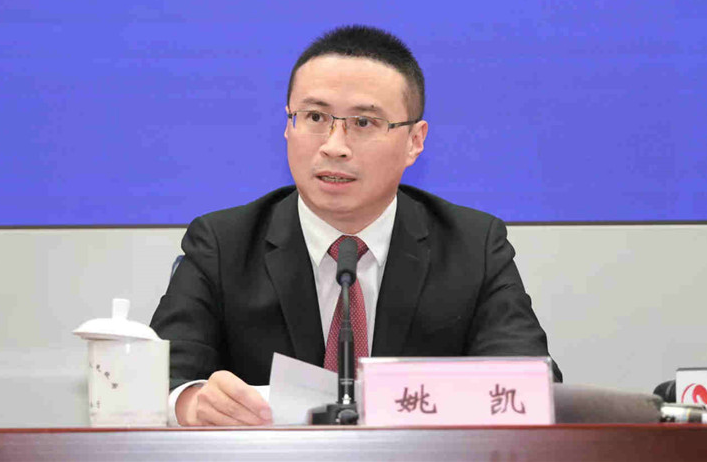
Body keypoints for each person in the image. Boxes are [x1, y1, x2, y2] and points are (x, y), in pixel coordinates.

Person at [150, 25, 560, 427]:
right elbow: (158, 377)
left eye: (363, 123)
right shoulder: (223, 244)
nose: (334, 146)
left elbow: (531, 384)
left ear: (415, 141)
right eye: (314, 116)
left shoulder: (472, 246)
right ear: (288, 125)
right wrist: (191, 403)